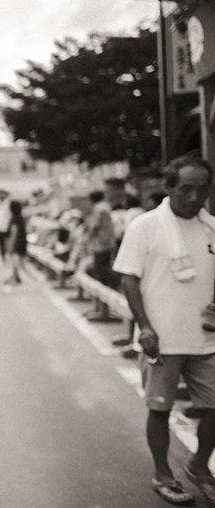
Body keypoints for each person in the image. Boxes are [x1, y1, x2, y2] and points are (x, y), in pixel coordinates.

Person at [113, 155, 215, 506]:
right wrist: (144, 326)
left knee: (214, 408)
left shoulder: (211, 228)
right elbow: (129, 279)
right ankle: (163, 474)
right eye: (185, 188)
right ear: (168, 187)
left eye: (202, 189)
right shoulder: (144, 226)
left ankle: (199, 465)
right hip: (161, 339)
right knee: (159, 410)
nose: (194, 197)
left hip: (206, 338)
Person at [85, 190, 119, 290]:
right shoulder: (106, 206)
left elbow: (95, 226)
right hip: (108, 241)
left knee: (100, 267)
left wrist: (89, 236)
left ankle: (110, 286)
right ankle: (110, 286)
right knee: (105, 265)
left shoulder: (98, 208)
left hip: (101, 243)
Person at [4, 200, 28, 290]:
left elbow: (14, 232)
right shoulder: (21, 219)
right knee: (17, 262)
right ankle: (16, 277)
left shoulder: (14, 219)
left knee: (14, 262)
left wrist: (10, 244)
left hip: (16, 243)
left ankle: (14, 278)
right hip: (22, 242)